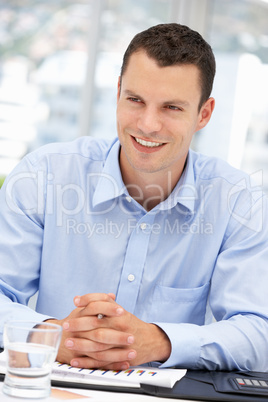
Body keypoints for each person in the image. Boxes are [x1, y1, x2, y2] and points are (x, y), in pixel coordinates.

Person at [0, 23, 268, 373]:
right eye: (135, 100)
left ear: (204, 114)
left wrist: (159, 341)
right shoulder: (44, 175)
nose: (148, 124)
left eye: (171, 107)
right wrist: (52, 336)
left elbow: (258, 332)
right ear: (117, 93)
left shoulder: (238, 201)